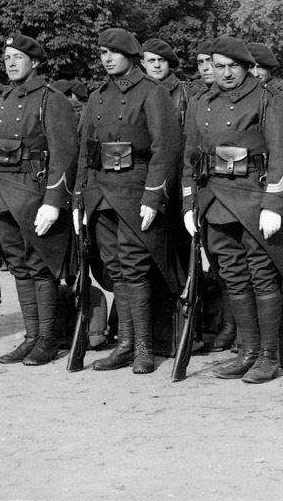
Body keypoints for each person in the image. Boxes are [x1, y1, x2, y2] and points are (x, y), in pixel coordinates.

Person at [182, 36, 283, 383]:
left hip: (253, 198)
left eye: (233, 66)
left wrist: (274, 204)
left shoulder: (267, 100)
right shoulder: (201, 102)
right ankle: (247, 351)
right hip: (214, 199)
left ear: (247, 67)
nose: (226, 73)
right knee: (233, 275)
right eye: (219, 66)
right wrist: (189, 203)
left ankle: (268, 355)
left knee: (262, 276)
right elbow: (190, 157)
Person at [77, 28, 182, 374]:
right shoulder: (97, 96)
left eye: (114, 52)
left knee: (136, 267)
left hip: (135, 192)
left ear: (130, 55)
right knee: (116, 267)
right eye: (102, 52)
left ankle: (143, 348)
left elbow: (164, 149)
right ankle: (123, 343)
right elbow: (85, 151)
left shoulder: (152, 93)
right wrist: (80, 196)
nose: (106, 58)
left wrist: (154, 195)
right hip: (101, 192)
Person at [0, 34, 79, 367]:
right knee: (19, 267)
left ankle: (47, 341)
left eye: (18, 57)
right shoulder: (5, 98)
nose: (10, 62)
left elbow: (64, 154)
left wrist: (54, 201)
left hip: (35, 196)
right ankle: (31, 337)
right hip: (3, 195)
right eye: (7, 56)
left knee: (41, 268)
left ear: (35, 62)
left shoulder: (51, 99)